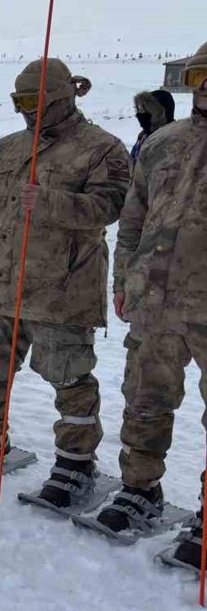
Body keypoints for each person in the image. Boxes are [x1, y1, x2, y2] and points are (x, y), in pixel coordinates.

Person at [0, 59, 129, 508]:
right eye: (18, 102)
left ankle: (75, 463)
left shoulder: (103, 149)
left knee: (70, 380)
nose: (26, 112)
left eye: (33, 102)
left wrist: (50, 202)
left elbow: (111, 207)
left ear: (62, 97)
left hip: (61, 290)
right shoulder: (7, 149)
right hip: (1, 282)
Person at [92, 43, 207, 556]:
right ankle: (140, 490)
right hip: (154, 301)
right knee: (144, 400)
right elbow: (133, 220)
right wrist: (123, 281)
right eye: (201, 74)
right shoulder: (163, 142)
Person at [130, 89, 175, 163]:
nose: (140, 115)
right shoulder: (143, 136)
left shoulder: (172, 140)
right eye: (139, 110)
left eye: (144, 110)